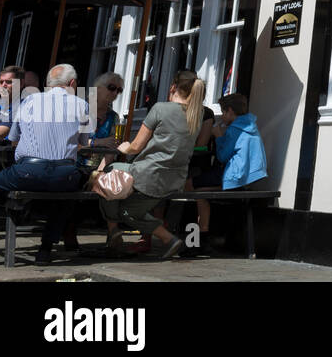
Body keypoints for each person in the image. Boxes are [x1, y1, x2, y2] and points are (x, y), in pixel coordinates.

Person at [99, 69, 204, 260]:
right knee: (127, 207)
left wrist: (125, 147)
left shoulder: (161, 109)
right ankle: (163, 239)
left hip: (148, 174)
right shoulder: (197, 113)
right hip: (174, 180)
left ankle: (114, 230)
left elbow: (136, 146)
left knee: (104, 175)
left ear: (173, 87)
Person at [0, 63, 90, 265]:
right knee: (66, 194)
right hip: (65, 175)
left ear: (48, 84)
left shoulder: (29, 100)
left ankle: (11, 207)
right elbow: (83, 144)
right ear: (72, 83)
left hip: (27, 172)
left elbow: (13, 139)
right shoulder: (82, 105)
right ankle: (45, 249)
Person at [60, 71, 125, 253]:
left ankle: (114, 232)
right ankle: (69, 230)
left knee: (114, 181)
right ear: (97, 89)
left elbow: (113, 148)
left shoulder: (114, 118)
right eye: (111, 88)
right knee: (74, 181)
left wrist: (101, 170)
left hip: (99, 166)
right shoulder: (81, 110)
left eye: (118, 91)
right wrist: (97, 142)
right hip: (74, 162)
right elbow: (70, 142)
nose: (114, 93)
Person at [195, 93, 268, 241]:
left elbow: (222, 156)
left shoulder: (234, 129)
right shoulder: (250, 125)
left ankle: (201, 236)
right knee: (199, 188)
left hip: (237, 176)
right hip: (251, 176)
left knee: (195, 189)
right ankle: (203, 235)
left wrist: (218, 136)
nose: (222, 116)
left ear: (230, 111)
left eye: (223, 112)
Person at [0, 66, 24, 141]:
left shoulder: (22, 105)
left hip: (8, 151)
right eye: (1, 82)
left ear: (20, 84)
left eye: (8, 82)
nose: (3, 85)